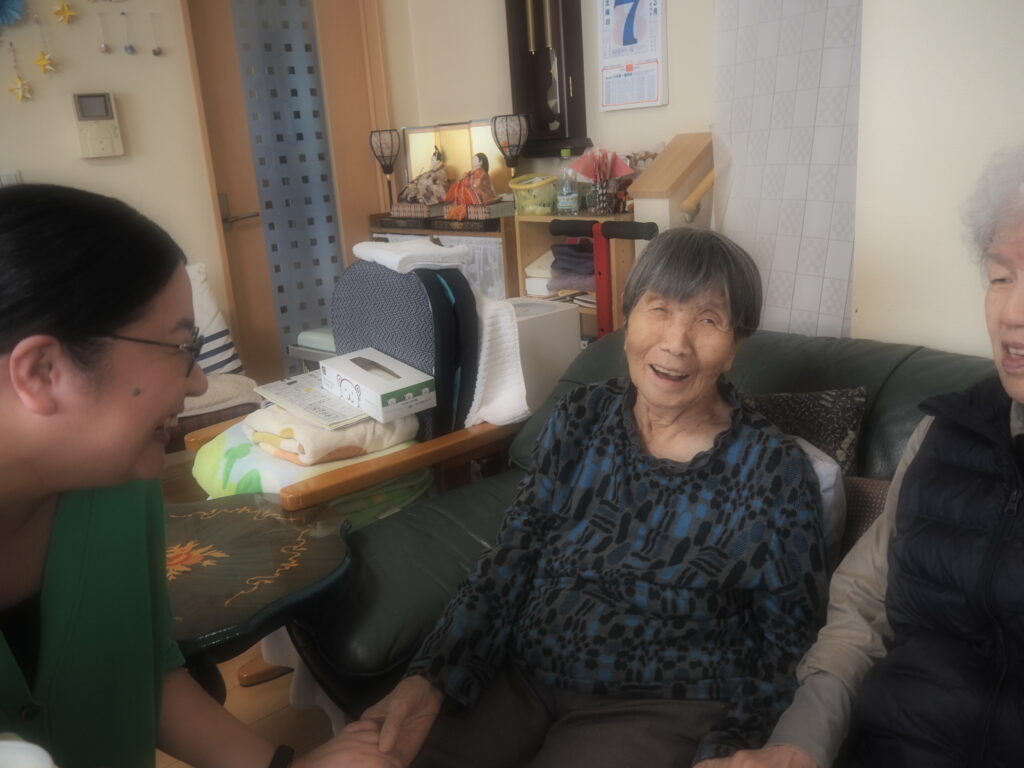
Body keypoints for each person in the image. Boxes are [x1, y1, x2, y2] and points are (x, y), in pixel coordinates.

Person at [360, 228, 829, 767]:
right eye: (659, 308)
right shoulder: (582, 415)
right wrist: (433, 673)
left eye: (708, 320)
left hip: (658, 706)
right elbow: (513, 557)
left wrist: (727, 748)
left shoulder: (771, 470)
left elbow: (787, 642)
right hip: (522, 671)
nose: (676, 342)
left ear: (735, 347)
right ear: (628, 317)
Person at [0, 184, 402, 768]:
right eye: (181, 349)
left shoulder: (121, 482)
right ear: (43, 372)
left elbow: (144, 670)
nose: (199, 382)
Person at [708, 143, 1024, 768]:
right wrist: (800, 742)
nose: (1013, 313)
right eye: (1000, 277)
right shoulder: (943, 434)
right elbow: (863, 603)